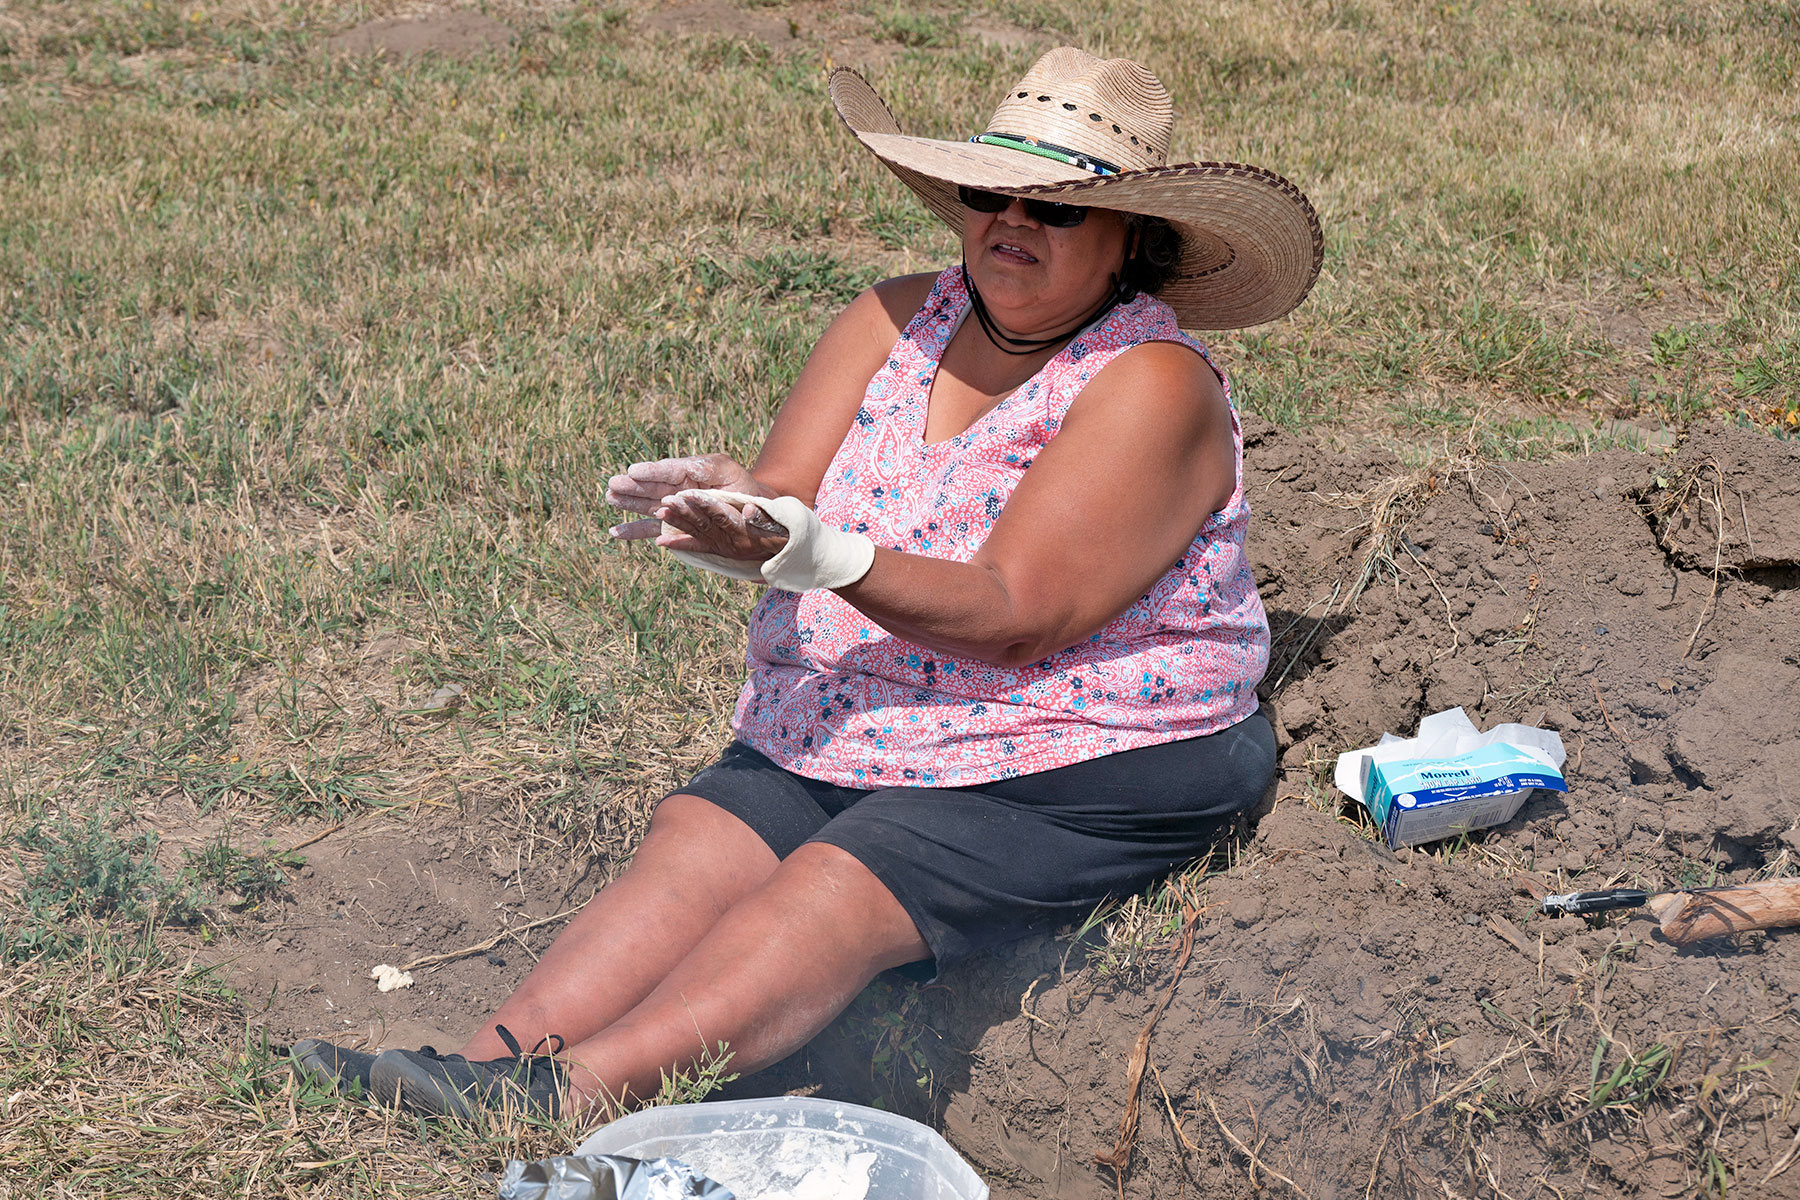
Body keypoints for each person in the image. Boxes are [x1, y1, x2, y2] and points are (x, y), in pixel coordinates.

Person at [293, 46, 1321, 1122]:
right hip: (871, 704)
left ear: (1134, 240)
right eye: (989, 195)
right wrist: (737, 511)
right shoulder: (894, 317)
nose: (1012, 221)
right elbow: (786, 490)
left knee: (842, 880)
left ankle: (562, 1100)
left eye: (1057, 209)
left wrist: (823, 557)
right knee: (699, 845)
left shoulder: (1153, 383)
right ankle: (474, 1068)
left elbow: (1019, 614)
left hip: (1087, 746)